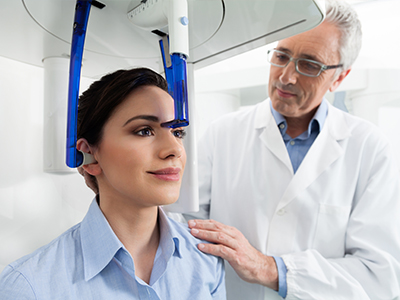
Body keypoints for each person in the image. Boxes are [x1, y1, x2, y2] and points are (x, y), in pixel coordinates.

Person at [186, 0, 400, 299]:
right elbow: (183, 231)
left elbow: (379, 274)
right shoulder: (222, 134)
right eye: (281, 56)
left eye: (310, 64)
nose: (286, 76)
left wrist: (271, 269)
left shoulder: (370, 149)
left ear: (340, 77)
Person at [0, 68, 226, 299]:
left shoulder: (207, 259)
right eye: (144, 131)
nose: (175, 150)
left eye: (177, 132)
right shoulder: (28, 287)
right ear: (90, 155)